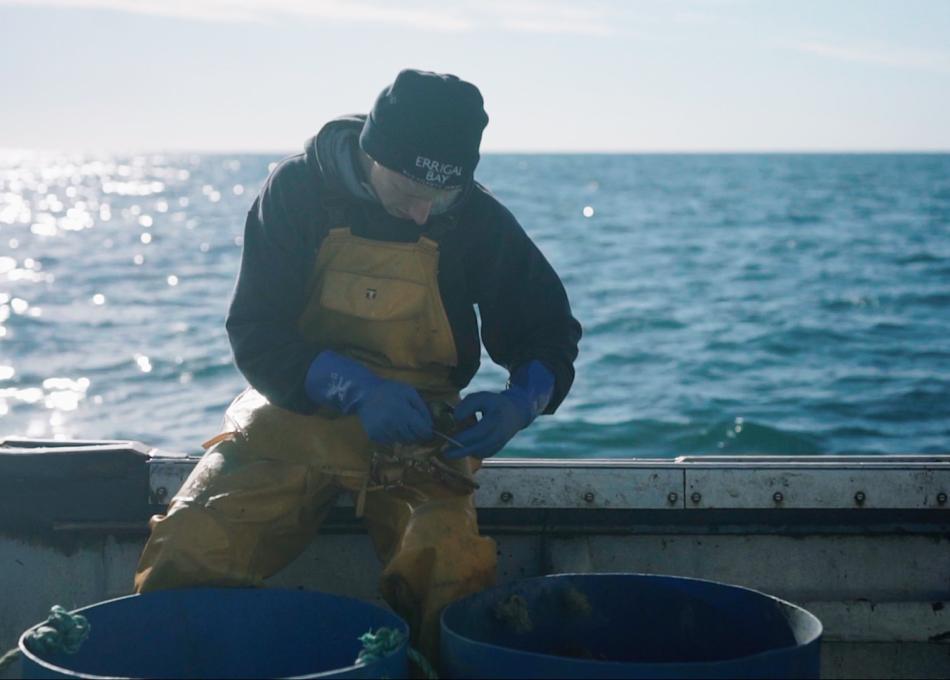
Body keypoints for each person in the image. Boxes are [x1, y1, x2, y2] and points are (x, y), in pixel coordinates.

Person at [133, 69, 581, 662]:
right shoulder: (297, 193)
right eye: (409, 192)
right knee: (190, 544)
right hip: (294, 411)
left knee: (446, 561)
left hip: (423, 427)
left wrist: (523, 400)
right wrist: (352, 388)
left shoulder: (475, 218)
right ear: (374, 156)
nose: (423, 214)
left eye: (441, 197)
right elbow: (256, 332)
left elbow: (545, 329)